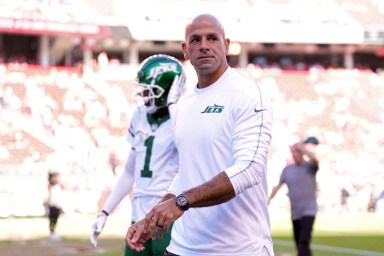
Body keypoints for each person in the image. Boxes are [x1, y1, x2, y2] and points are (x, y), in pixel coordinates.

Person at [125, 13, 274, 256]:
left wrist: (181, 202)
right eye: (195, 40)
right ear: (185, 50)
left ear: (226, 45)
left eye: (212, 38)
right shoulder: (185, 104)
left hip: (238, 249)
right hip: (183, 248)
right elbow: (188, 172)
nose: (204, 46)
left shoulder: (247, 93)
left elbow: (250, 167)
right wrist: (152, 217)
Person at [90, 54, 186, 256]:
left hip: (167, 216)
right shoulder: (139, 115)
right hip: (138, 214)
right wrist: (105, 212)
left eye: (150, 90)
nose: (143, 94)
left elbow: (184, 147)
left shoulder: (183, 116)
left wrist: (173, 104)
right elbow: (128, 173)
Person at [268, 137, 320, 256]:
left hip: (309, 211)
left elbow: (315, 160)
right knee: (300, 245)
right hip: (295, 213)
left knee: (303, 242)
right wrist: (268, 200)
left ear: (301, 153)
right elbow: (277, 186)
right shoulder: (287, 170)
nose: (295, 155)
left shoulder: (309, 167)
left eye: (297, 152)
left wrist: (302, 147)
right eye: (293, 152)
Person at [47, 171, 63, 241]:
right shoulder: (51, 185)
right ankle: (51, 233)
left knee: (56, 220)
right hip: (52, 204)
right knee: (52, 220)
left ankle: (53, 233)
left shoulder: (58, 186)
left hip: (57, 204)